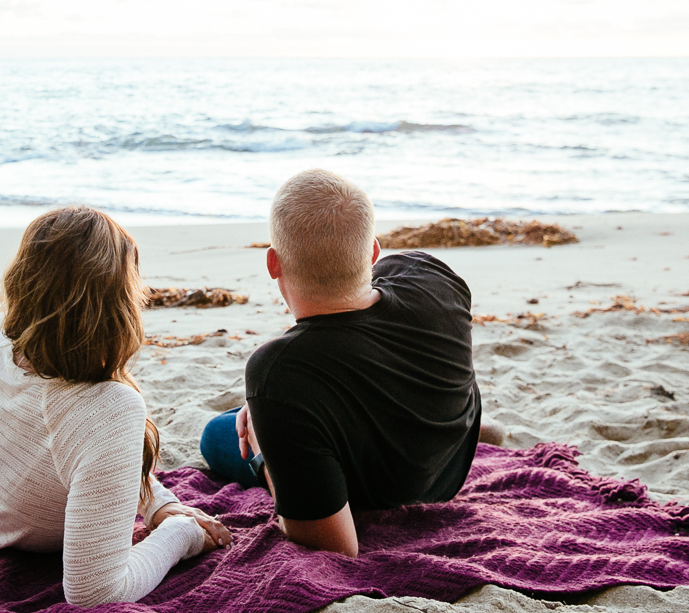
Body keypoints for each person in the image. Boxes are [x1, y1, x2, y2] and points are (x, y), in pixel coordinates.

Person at [0, 206, 230, 607]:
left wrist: (156, 502)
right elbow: (94, 592)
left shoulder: (0, 333)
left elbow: (82, 449)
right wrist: (181, 533)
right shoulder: (110, 408)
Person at [199, 169, 488, 557]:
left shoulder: (277, 370)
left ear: (273, 263)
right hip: (449, 466)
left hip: (380, 492)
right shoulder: (432, 275)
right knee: (277, 405)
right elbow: (355, 323)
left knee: (218, 434)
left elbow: (335, 546)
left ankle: (270, 439)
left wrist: (265, 451)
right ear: (372, 251)